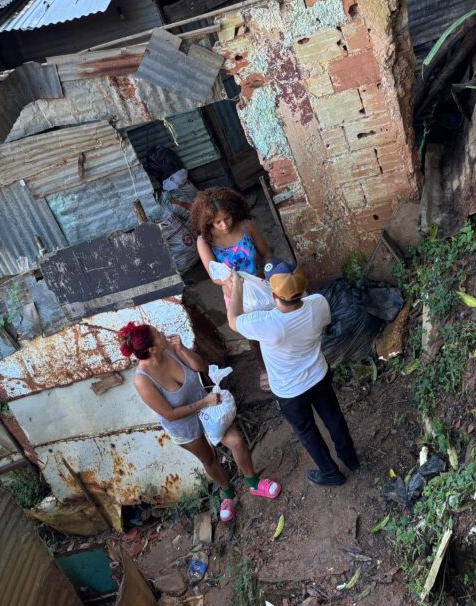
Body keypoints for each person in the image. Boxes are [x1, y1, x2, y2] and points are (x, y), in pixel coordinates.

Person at [119, 322, 281, 521]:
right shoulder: (142, 380)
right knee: (209, 459)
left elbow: (199, 366)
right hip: (182, 424)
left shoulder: (169, 350)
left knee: (236, 442)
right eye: (157, 333)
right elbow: (170, 414)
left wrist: (181, 348)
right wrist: (203, 402)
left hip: (208, 409)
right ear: (151, 349)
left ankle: (254, 484)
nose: (162, 332)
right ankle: (228, 495)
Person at [226, 262, 360, 486]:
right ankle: (351, 458)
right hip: (318, 376)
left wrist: (237, 285)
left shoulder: (266, 322)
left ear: (274, 293)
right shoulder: (318, 303)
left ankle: (330, 473)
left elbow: (232, 320)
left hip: (289, 391)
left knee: (307, 432)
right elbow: (321, 319)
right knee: (333, 417)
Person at [192, 187, 274, 391]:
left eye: (227, 218)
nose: (224, 225)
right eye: (217, 222)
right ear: (207, 222)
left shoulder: (247, 226)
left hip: (262, 286)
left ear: (233, 212)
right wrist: (233, 282)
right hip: (235, 295)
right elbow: (214, 276)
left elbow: (266, 253)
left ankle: (282, 360)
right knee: (253, 336)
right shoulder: (205, 241)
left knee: (275, 326)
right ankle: (265, 368)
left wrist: (271, 273)